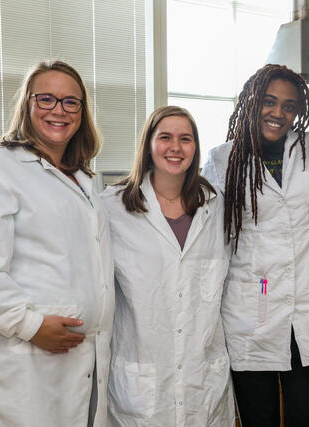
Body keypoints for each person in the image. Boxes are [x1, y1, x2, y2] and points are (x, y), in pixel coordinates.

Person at [0, 60, 114, 426]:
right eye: (47, 99)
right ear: (27, 104)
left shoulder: (82, 179)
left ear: (82, 113)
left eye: (71, 102)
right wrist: (30, 326)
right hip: (19, 360)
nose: (59, 110)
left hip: (76, 360)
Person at [201, 64, 309, 427]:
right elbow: (206, 232)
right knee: (257, 418)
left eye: (290, 106)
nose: (279, 113)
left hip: (308, 312)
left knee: (308, 417)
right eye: (269, 101)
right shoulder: (222, 159)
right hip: (251, 315)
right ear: (251, 100)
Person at [101, 106, 234, 426]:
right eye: (165, 137)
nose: (175, 147)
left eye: (185, 139)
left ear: (195, 147)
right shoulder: (111, 207)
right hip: (142, 379)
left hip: (203, 376)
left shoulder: (217, 206)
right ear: (148, 144)